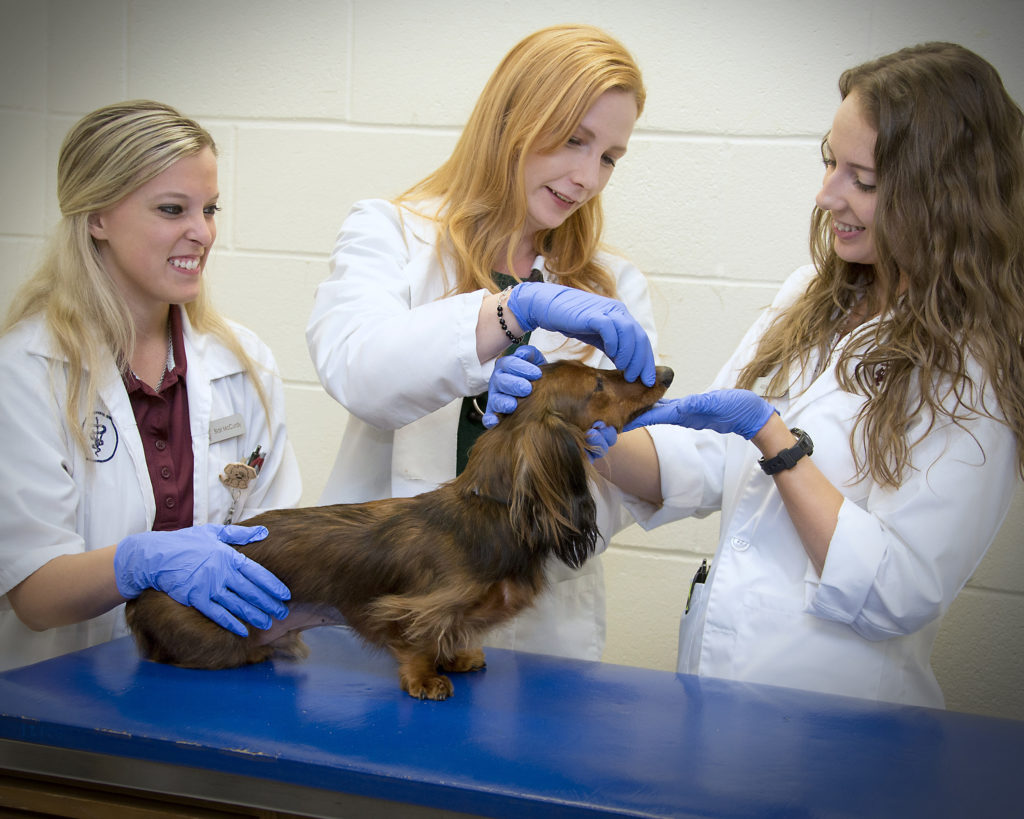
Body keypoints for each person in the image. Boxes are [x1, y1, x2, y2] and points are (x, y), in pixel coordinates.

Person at [487, 42, 1024, 707]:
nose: (828, 196)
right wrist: (581, 426)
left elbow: (900, 592)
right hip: (720, 686)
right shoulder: (811, 297)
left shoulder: (980, 366)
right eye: (830, 161)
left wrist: (777, 442)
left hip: (846, 717)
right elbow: (708, 461)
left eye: (864, 178)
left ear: (944, 197)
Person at [306, 24, 658, 661]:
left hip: (541, 625)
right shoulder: (391, 233)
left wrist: (597, 450)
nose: (586, 177)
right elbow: (360, 375)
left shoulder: (613, 285)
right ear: (512, 119)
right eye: (574, 139)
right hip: (393, 608)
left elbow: (624, 489)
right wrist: (509, 312)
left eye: (609, 156)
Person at [0, 101, 302, 671]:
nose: (203, 233)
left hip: (219, 682)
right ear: (96, 217)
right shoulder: (25, 371)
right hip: (63, 702)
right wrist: (136, 562)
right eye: (172, 209)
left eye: (209, 209)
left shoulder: (243, 364)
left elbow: (275, 541)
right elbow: (34, 595)